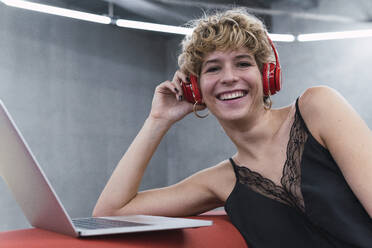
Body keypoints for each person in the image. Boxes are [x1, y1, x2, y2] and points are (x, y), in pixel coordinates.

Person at [93, 8, 372, 247]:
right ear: (195, 89)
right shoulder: (219, 181)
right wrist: (158, 120)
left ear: (267, 76)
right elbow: (110, 212)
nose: (229, 77)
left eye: (242, 63)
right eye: (213, 68)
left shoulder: (318, 107)